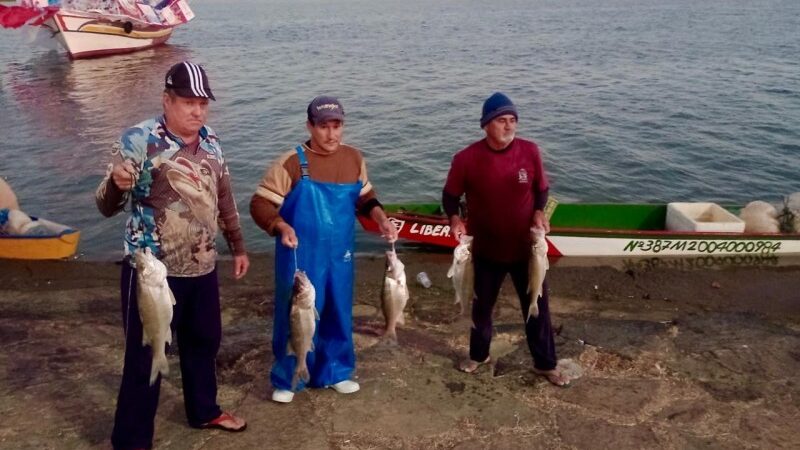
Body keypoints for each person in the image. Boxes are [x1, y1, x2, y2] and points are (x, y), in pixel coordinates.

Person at [96, 61, 251, 449]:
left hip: (202, 265)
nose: (197, 111)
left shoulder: (211, 140)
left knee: (205, 342)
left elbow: (224, 197)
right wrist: (116, 183)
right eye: (188, 102)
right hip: (152, 274)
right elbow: (105, 205)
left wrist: (237, 245)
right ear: (167, 100)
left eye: (203, 103)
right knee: (146, 356)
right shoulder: (138, 139)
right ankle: (131, 440)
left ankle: (204, 411)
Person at [250, 95, 397, 403]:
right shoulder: (292, 162)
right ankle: (290, 377)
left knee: (338, 310)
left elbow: (366, 198)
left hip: (340, 254)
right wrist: (280, 226)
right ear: (310, 126)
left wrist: (381, 218)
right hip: (299, 254)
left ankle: (335, 372)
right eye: (323, 127)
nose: (331, 134)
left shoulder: (354, 158)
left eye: (337, 126)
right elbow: (260, 204)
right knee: (295, 316)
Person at [442, 92, 569, 387]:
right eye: (502, 120)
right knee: (481, 308)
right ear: (486, 124)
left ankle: (545, 364)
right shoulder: (466, 158)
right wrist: (454, 219)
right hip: (486, 249)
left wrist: (539, 212)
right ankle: (479, 355)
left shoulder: (530, 151)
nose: (509, 125)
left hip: (526, 249)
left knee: (537, 307)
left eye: (513, 120)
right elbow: (450, 196)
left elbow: (541, 189)